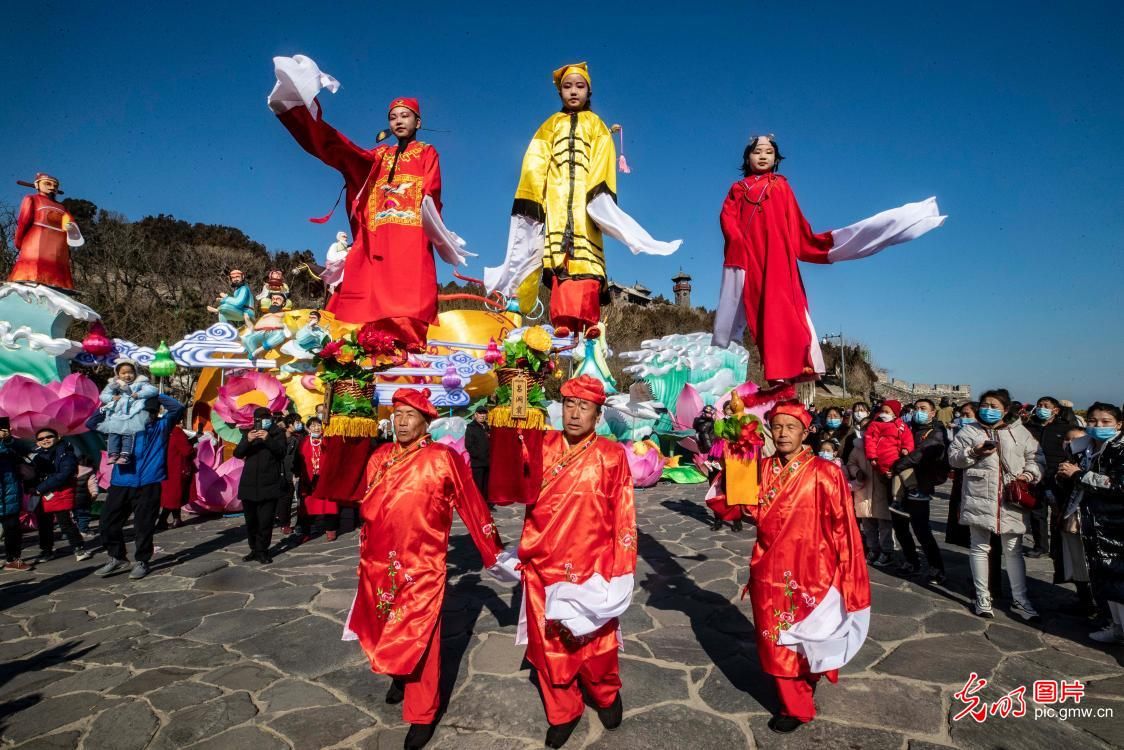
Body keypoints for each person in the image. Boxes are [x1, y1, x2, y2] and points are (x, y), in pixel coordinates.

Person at [269, 55, 472, 350]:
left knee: (409, 294)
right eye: (393, 117)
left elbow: (432, 191)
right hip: (378, 236)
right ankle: (294, 107)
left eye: (405, 116)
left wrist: (436, 226)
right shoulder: (379, 156)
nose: (398, 121)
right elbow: (344, 152)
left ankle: (410, 348)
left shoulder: (427, 152)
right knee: (371, 292)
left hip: (411, 235)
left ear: (418, 121)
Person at [711, 135, 944, 384]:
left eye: (769, 152)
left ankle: (794, 366)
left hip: (777, 258)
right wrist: (736, 240)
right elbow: (727, 217)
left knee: (783, 309)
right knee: (758, 311)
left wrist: (808, 243)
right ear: (747, 157)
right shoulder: (738, 189)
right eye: (757, 151)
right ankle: (760, 365)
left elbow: (796, 223)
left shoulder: (781, 186)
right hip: (749, 257)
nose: (763, 155)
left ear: (776, 159)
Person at [343, 388, 504, 749]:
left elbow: (472, 505)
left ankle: (423, 713)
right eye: (397, 414)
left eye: (409, 415)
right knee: (382, 628)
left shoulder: (442, 458)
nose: (401, 421)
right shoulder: (380, 457)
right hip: (378, 566)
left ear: (425, 421)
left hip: (423, 567)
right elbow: (368, 511)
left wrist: (494, 553)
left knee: (422, 640)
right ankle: (399, 675)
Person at [484, 62, 681, 339]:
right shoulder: (549, 126)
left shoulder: (596, 125)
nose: (573, 91)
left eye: (580, 86)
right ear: (560, 92)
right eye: (567, 87)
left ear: (589, 91)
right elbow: (534, 164)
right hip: (555, 202)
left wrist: (598, 199)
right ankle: (562, 321)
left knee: (586, 263)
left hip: (584, 206)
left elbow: (603, 161)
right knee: (560, 264)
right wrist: (533, 201)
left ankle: (588, 321)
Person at [492, 375, 636, 748]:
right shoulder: (542, 445)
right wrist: (516, 395)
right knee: (551, 650)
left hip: (593, 568)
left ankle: (605, 693)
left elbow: (624, 514)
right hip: (543, 566)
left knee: (597, 647)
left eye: (583, 407)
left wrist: (622, 569)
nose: (574, 413)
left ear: (597, 413)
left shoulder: (611, 454)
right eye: (569, 404)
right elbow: (511, 458)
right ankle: (563, 711)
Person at [747, 400, 870, 733]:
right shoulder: (759, 468)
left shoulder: (825, 472)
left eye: (790, 427)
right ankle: (796, 706)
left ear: (806, 431)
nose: (783, 433)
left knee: (811, 637)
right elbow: (735, 505)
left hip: (814, 571)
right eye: (776, 426)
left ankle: (807, 680)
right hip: (769, 569)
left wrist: (847, 572)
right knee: (777, 642)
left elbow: (844, 527)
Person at [949, 389, 1044, 622]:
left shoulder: (1020, 432)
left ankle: (1021, 599)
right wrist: (974, 451)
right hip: (978, 495)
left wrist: (1030, 475)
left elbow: (1036, 458)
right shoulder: (969, 431)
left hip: (1011, 498)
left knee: (1013, 551)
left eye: (993, 406)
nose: (988, 409)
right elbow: (953, 458)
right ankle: (983, 596)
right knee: (979, 548)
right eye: (984, 405)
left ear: (1006, 409)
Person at [89, 394, 186, 580]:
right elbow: (92, 423)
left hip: (149, 484)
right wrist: (111, 405)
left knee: (144, 526)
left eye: (149, 412)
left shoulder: (161, 427)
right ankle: (117, 557)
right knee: (107, 523)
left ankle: (142, 561)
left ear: (154, 413)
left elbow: (178, 408)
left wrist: (154, 394)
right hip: (121, 483)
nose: (145, 416)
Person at [1058, 403, 1124, 642]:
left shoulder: (1120, 449)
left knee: (1118, 577)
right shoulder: (1081, 448)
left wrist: (1078, 475)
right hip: (1089, 520)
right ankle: (1114, 625)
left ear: (1119, 424)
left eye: (1106, 422)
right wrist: (1065, 475)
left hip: (1115, 523)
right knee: (1102, 576)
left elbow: (1119, 485)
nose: (1098, 426)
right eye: (1093, 421)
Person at [888, 399, 948, 583]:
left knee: (921, 529)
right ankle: (911, 561)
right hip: (900, 485)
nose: (918, 411)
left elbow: (919, 454)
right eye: (916, 408)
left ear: (932, 413)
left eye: (923, 409)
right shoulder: (907, 428)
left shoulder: (936, 433)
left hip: (920, 486)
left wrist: (898, 465)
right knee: (900, 527)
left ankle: (936, 568)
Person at [8, 172, 82, 289]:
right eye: (47, 184)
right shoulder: (32, 199)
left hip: (59, 244)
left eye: (55, 186)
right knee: (33, 268)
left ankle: (60, 284)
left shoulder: (62, 207)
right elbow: (23, 221)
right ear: (37, 185)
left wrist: (72, 233)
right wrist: (19, 240)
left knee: (58, 271)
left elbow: (70, 224)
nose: (52, 187)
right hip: (36, 240)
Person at [1025, 396, 1077, 561]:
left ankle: (1057, 548)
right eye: (1039, 405)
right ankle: (1040, 546)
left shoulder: (1065, 428)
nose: (1041, 408)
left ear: (1056, 410)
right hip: (1035, 475)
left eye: (1046, 406)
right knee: (1036, 513)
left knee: (1058, 514)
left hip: (1057, 477)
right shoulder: (1029, 427)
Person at [233, 407, 287, 564]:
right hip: (249, 485)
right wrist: (248, 440)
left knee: (265, 521)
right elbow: (238, 454)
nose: (263, 421)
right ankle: (253, 549)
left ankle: (263, 550)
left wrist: (268, 439)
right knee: (251, 521)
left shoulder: (277, 434)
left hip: (269, 484)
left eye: (265, 418)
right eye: (259, 419)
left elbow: (281, 453)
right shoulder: (248, 433)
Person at [1055, 425, 1098, 619]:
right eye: (1069, 440)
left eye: (1077, 440)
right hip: (1071, 516)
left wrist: (1078, 474)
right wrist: (1062, 477)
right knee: (1075, 561)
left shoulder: (1101, 457)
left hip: (1094, 518)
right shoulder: (1068, 459)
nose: (1073, 444)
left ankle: (1099, 606)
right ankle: (1085, 601)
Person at [847, 413, 893, 565]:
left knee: (884, 525)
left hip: (881, 490)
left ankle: (887, 551)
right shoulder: (858, 448)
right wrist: (857, 472)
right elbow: (851, 464)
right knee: (868, 524)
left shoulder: (886, 445)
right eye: (865, 428)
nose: (868, 430)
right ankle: (873, 549)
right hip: (863, 490)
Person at [97, 359, 159, 465]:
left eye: (130, 372)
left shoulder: (140, 383)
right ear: (118, 374)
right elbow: (103, 395)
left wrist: (139, 394)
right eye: (123, 373)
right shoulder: (114, 384)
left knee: (128, 434)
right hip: (117, 414)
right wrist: (112, 397)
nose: (127, 375)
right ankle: (113, 454)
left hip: (132, 412)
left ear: (135, 373)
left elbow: (153, 390)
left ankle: (125, 455)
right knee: (114, 433)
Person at [864, 400, 914, 520]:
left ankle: (911, 490)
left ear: (895, 414)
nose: (883, 414)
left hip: (898, 457)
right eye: (882, 411)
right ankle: (896, 500)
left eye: (887, 412)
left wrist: (907, 448)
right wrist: (872, 457)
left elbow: (908, 439)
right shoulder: (875, 425)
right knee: (889, 475)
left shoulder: (901, 425)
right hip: (883, 457)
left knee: (903, 472)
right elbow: (870, 441)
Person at [297, 416, 339, 541]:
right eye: (313, 425)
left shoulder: (328, 440)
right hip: (309, 480)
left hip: (326, 479)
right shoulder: (303, 441)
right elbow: (298, 459)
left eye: (318, 425)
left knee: (330, 505)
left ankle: (331, 530)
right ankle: (306, 532)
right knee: (307, 507)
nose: (316, 428)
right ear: (308, 428)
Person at [1, 417, 30, 571]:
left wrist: (9, 440)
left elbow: (26, 450)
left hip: (9, 494)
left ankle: (13, 559)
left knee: (12, 528)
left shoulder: (10, 444)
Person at [157, 424, 194, 530]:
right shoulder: (176, 431)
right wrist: (193, 444)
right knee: (173, 496)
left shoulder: (163, 429)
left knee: (173, 495)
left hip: (164, 467)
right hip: (176, 468)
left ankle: (176, 519)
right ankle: (163, 520)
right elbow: (187, 451)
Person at [276, 415, 303, 536]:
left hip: (291, 472)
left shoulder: (296, 438)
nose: (299, 424)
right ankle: (284, 524)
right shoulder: (278, 438)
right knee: (284, 500)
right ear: (289, 424)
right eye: (297, 422)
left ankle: (286, 523)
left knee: (288, 498)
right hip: (280, 472)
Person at [464, 404, 491, 501]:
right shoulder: (471, 427)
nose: (482, 415)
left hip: (488, 462)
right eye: (480, 413)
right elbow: (468, 445)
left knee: (486, 486)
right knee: (478, 486)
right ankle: (477, 505)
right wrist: (478, 456)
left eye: (484, 413)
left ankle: (486, 504)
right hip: (477, 463)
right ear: (475, 415)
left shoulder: (487, 427)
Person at [74, 455, 98, 536]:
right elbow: (92, 484)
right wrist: (94, 493)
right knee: (84, 514)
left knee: (76, 514)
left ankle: (77, 528)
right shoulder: (90, 473)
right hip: (84, 498)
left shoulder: (72, 470)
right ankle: (83, 530)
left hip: (72, 497)